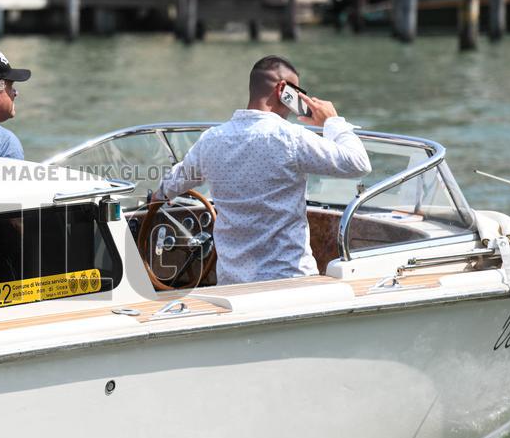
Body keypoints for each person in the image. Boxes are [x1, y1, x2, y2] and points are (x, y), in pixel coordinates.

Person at [155, 55, 372, 286]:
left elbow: (171, 185)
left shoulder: (211, 140)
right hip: (289, 282)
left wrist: (158, 197)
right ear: (282, 89)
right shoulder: (291, 137)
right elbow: (359, 163)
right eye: (297, 92)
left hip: (232, 285)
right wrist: (333, 122)